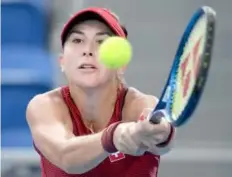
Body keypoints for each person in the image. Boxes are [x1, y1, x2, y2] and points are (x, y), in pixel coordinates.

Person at [26, 7, 175, 177]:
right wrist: (113, 136)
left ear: (121, 65)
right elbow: (66, 156)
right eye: (77, 40)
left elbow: (162, 139)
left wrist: (160, 133)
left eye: (102, 42)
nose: (88, 50)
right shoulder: (44, 106)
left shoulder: (140, 105)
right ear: (62, 62)